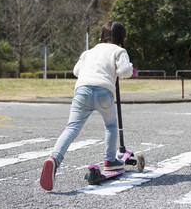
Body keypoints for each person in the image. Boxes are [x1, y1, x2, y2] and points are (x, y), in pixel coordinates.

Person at [40, 21, 133, 191]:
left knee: (71, 128)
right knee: (111, 125)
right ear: (123, 38)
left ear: (100, 38)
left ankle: (54, 159)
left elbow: (77, 71)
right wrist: (127, 67)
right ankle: (110, 160)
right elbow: (125, 72)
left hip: (81, 91)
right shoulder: (119, 51)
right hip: (104, 92)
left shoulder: (88, 52)